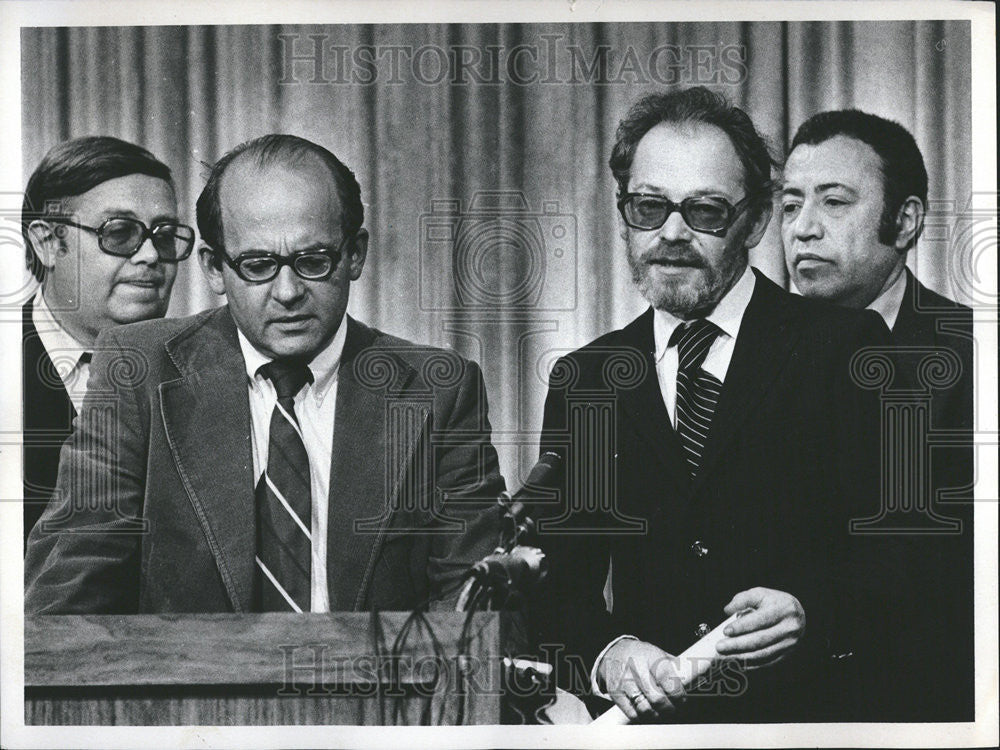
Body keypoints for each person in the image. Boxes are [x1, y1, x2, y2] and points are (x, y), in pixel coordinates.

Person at [529, 87, 902, 723]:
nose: (671, 234)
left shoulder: (846, 348)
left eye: (704, 211)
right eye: (648, 208)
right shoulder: (585, 379)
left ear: (756, 221)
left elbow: (911, 562)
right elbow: (555, 591)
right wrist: (608, 653)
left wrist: (812, 609)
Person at [25, 134, 504, 615]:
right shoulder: (138, 369)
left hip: (378, 687)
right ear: (215, 269)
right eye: (258, 265)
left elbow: (475, 608)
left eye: (313, 261)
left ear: (355, 254)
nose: (289, 291)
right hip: (194, 688)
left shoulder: (439, 389)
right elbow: (65, 598)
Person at [781, 110, 974, 721]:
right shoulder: (750, 354)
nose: (803, 230)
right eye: (789, 205)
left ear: (906, 221)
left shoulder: (971, 354)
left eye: (834, 202)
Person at [21, 136, 191, 549]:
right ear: (47, 243)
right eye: (119, 232)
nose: (151, 255)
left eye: (164, 234)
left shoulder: (206, 371)